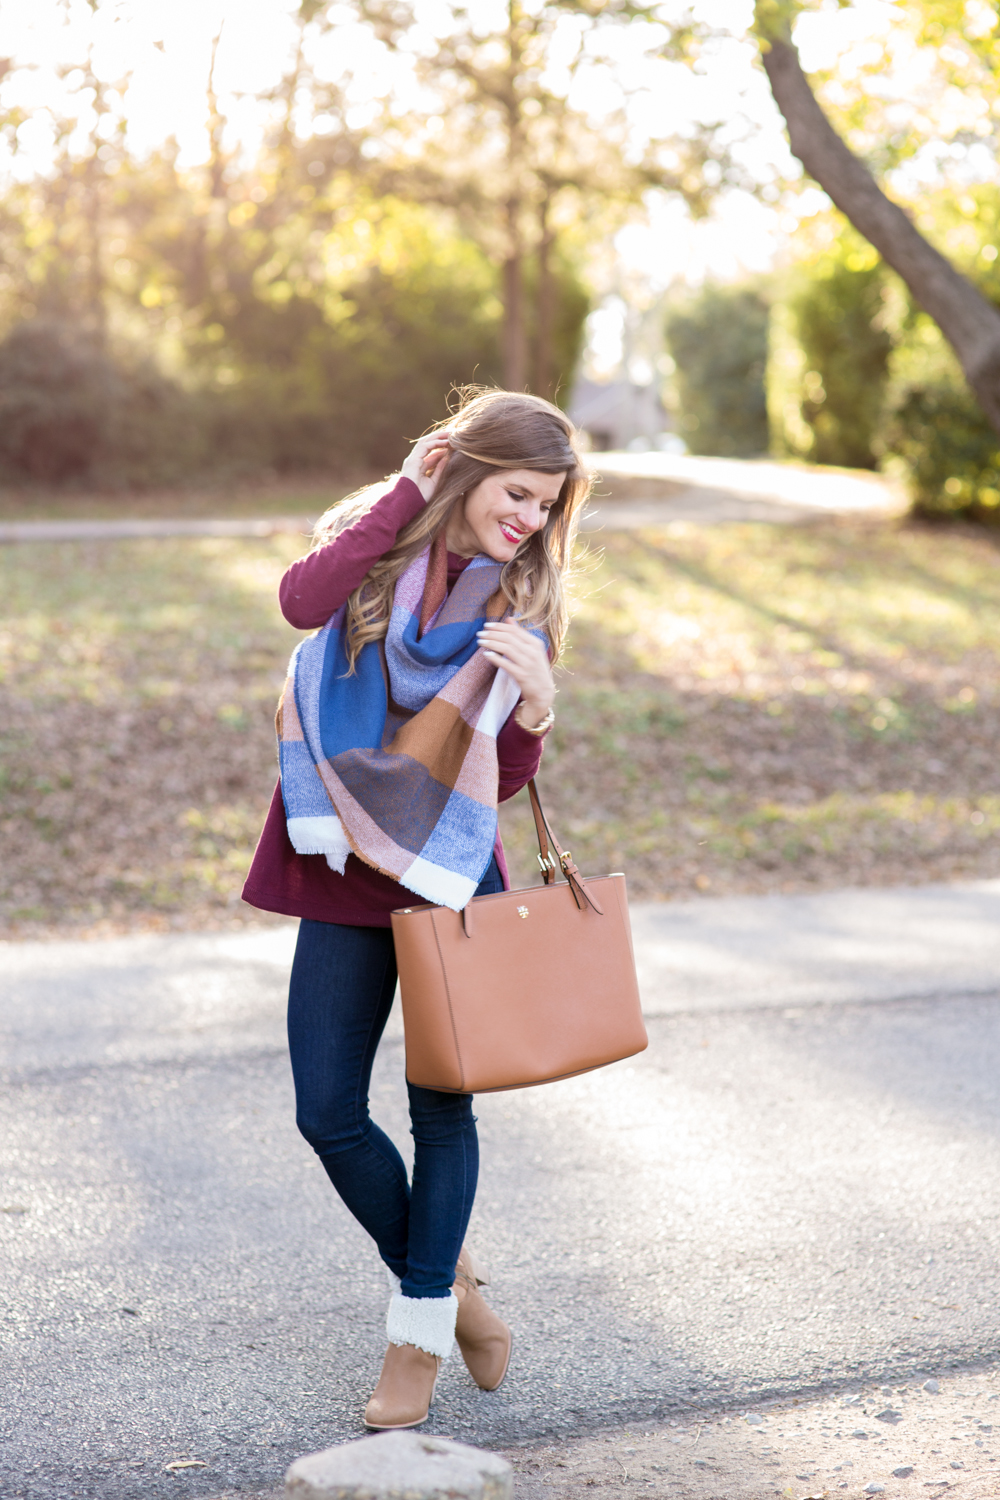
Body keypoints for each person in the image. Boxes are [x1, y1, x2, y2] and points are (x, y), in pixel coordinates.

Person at [242, 388, 590, 1429]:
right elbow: (303, 603)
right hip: (340, 866)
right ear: (462, 466)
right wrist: (407, 494)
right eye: (516, 492)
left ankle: (418, 1331)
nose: (528, 518)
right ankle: (458, 1290)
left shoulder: (524, 598)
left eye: (547, 504)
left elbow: (503, 772)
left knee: (443, 1111)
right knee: (327, 1113)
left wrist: (534, 708)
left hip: (447, 877)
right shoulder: (377, 545)